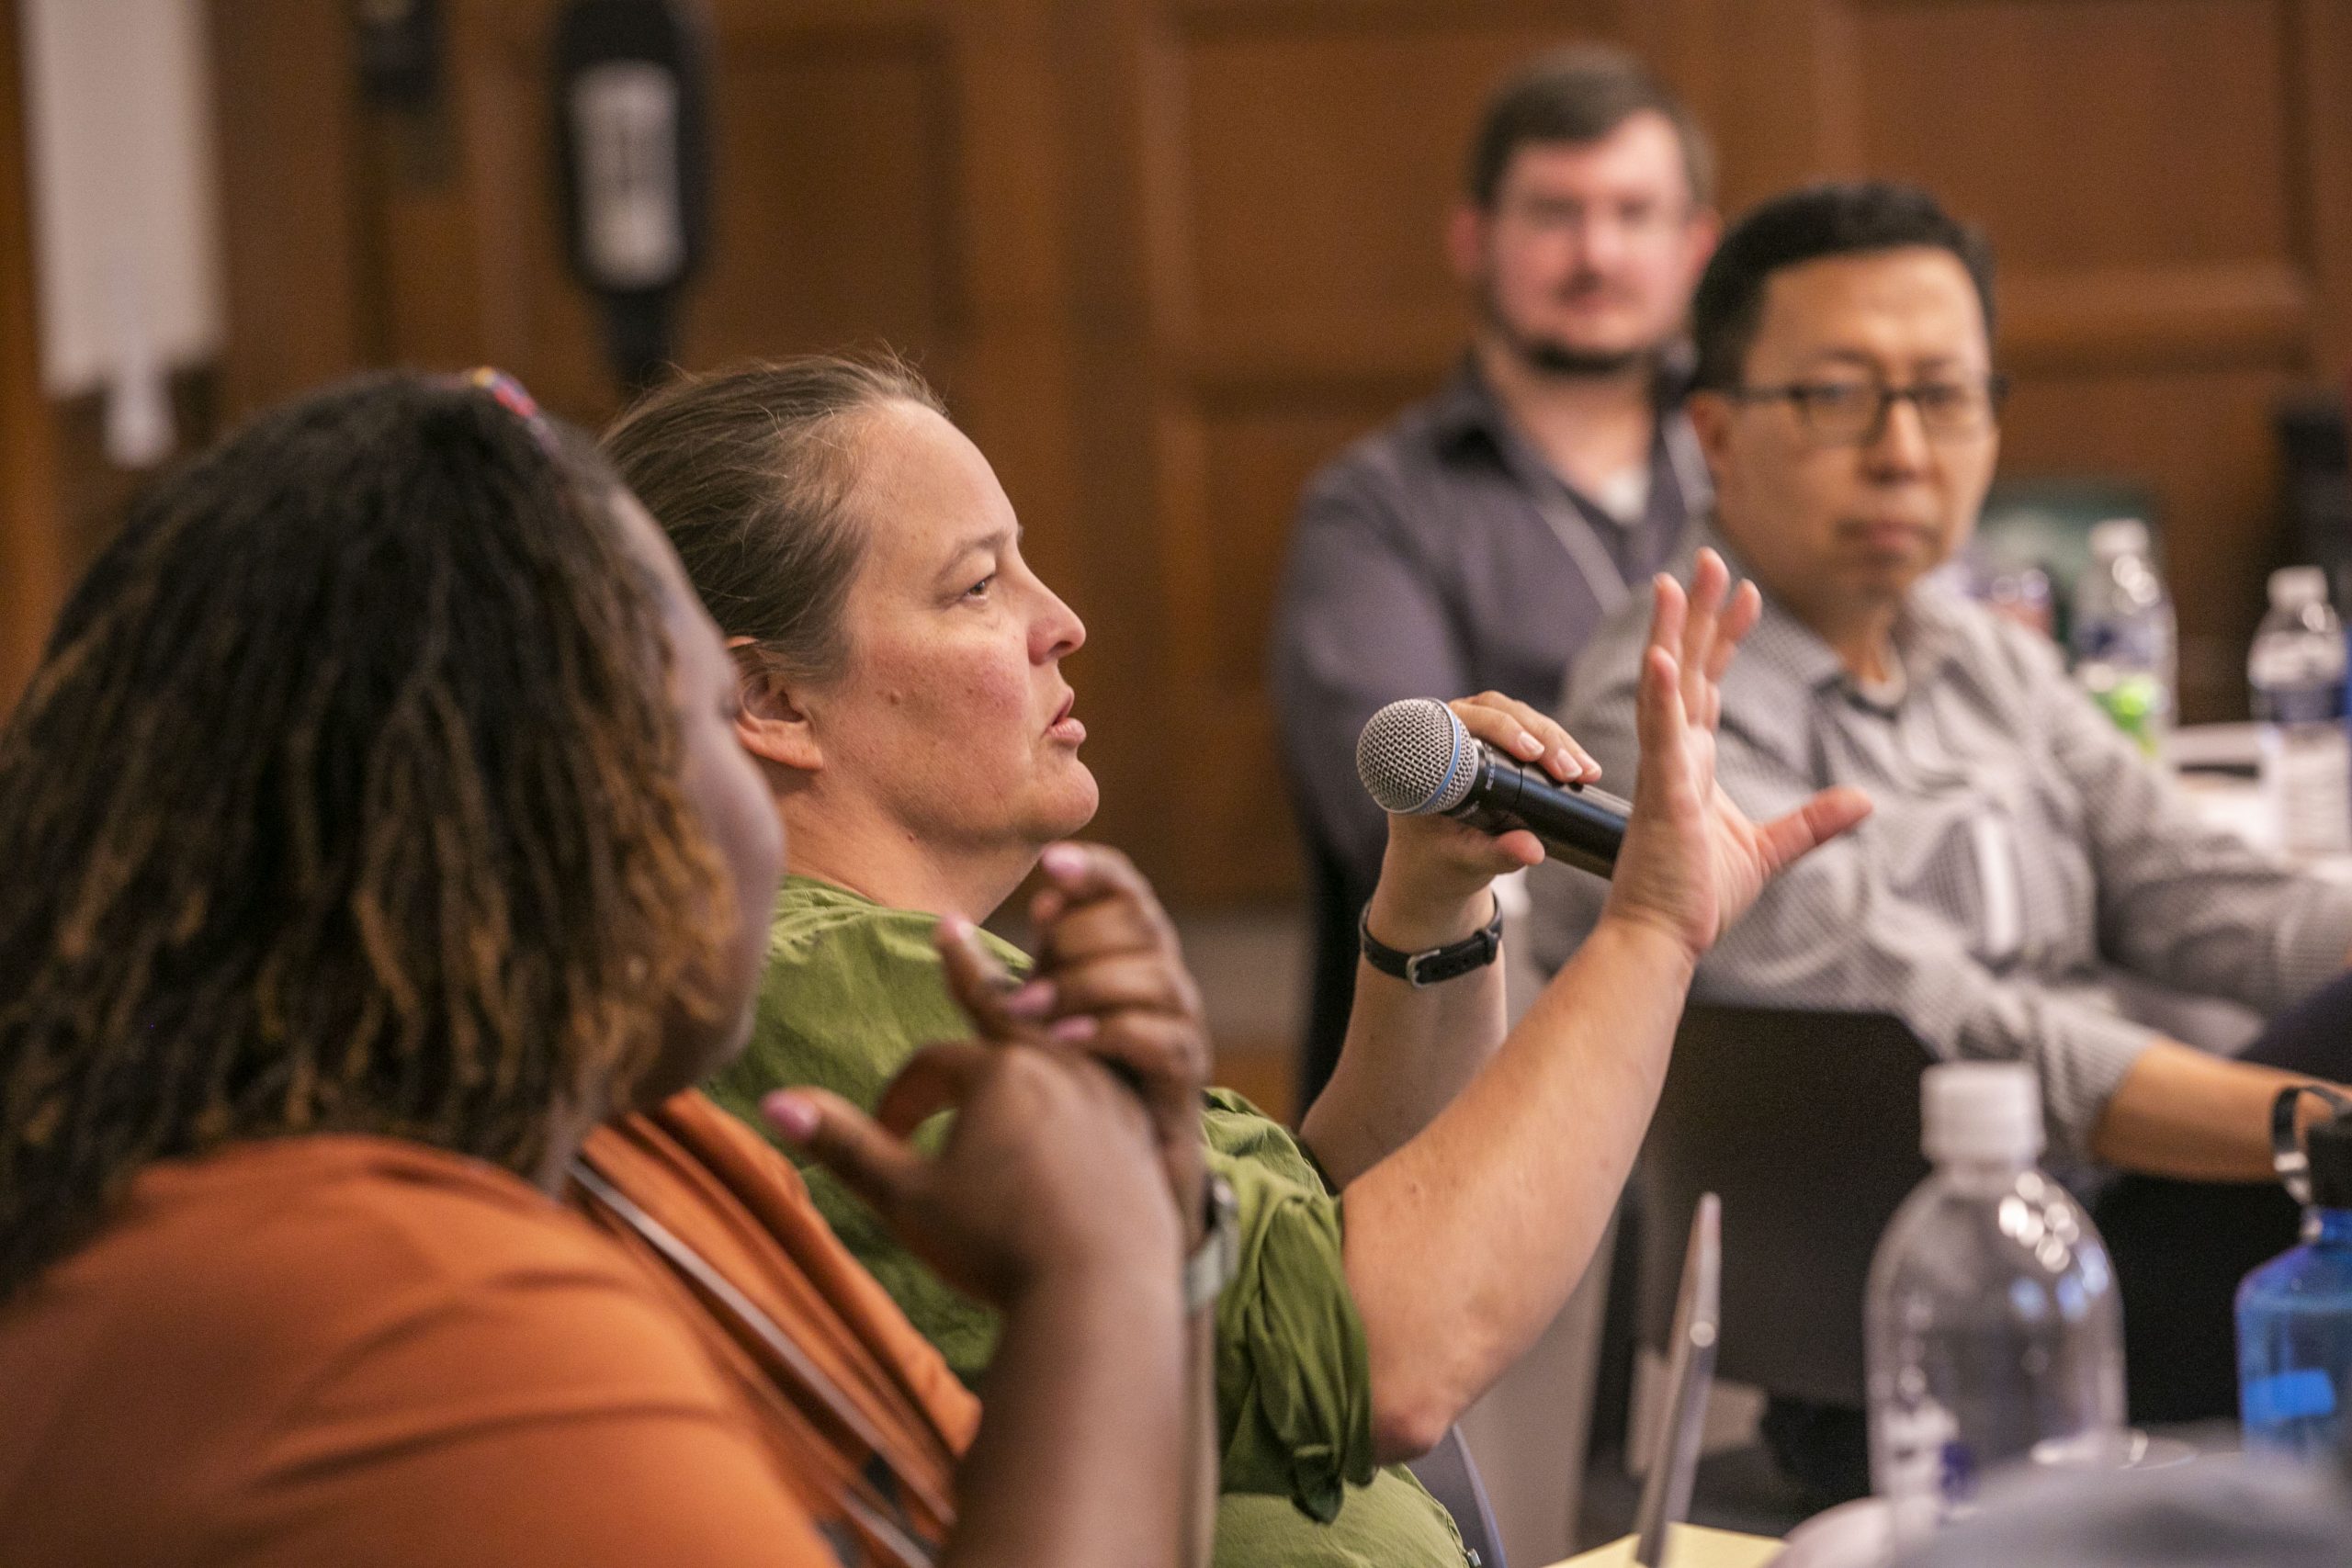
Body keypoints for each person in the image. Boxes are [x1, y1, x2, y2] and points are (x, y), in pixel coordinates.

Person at [605, 354, 1868, 1568]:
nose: (1062, 622)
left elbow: (1309, 1248)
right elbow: (1379, 1354)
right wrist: (1650, 928)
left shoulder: (873, 966)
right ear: (772, 701)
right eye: (977, 586)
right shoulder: (810, 978)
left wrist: (1432, 909)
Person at [0, 371, 1208, 1566]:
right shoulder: (398, 1304)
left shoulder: (644, 1147)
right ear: (549, 804)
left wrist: (1164, 1236)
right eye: (708, 718)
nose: (755, 804)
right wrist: (1099, 1276)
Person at [1526, 180, 2352, 1495]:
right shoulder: (1660, 714)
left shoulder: (1980, 654)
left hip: (2115, 1230)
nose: (1904, 449)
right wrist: (2318, 1127)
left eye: (1946, 394)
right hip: (1926, 1321)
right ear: (1716, 433)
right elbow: (1969, 1032)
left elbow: (2207, 895)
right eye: (1838, 396)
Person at [1271, 44, 1722, 1106]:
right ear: (1474, 239)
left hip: (1759, 1018)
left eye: (1633, 214)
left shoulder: (1758, 460)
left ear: (1695, 246)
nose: (1595, 253)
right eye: (1555, 213)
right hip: (1486, 1060)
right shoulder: (1374, 509)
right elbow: (1401, 801)